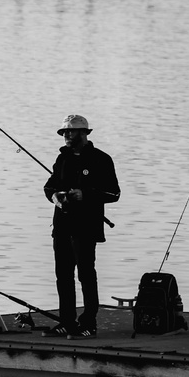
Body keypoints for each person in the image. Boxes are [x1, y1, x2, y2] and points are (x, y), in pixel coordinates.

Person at [43, 114, 120, 338]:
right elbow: (49, 187)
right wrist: (55, 197)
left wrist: (84, 194)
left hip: (86, 226)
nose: (66, 135)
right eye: (64, 132)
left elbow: (114, 193)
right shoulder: (62, 158)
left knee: (86, 274)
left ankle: (88, 322)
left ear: (84, 133)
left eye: (70, 131)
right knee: (63, 275)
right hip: (62, 226)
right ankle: (66, 321)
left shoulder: (101, 159)